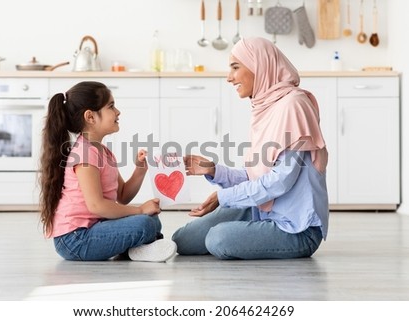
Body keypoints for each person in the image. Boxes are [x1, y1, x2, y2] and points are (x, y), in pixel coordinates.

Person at [172, 37, 329, 260]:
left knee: (217, 239)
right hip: (261, 211)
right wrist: (213, 170)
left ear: (259, 66)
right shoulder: (265, 107)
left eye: (235, 67)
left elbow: (280, 181)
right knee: (183, 240)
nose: (229, 77)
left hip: (295, 229)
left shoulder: (294, 105)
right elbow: (257, 176)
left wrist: (223, 196)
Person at [39, 81, 177, 262]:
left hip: (96, 227)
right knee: (144, 222)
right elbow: (96, 206)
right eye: (111, 106)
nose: (118, 112)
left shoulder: (103, 152)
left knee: (152, 220)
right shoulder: (84, 153)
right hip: (75, 239)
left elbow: (122, 195)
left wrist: (140, 169)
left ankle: (136, 249)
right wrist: (140, 210)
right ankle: (137, 249)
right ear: (90, 117)